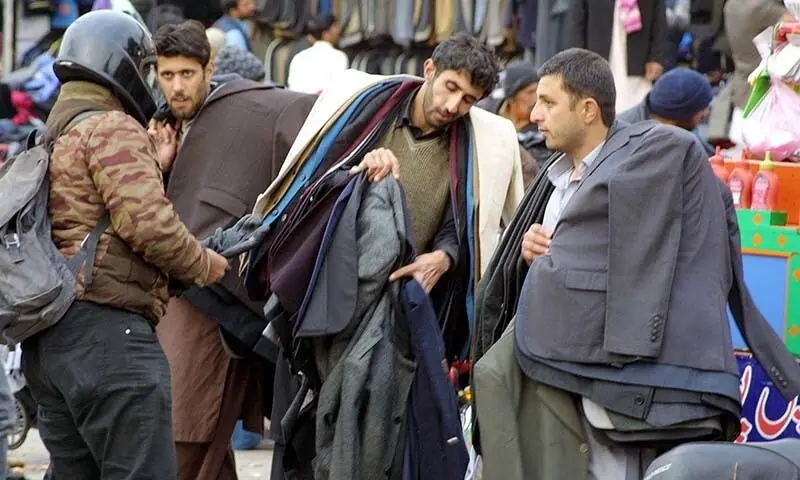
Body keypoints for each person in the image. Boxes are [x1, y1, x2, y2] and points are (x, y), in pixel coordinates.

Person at [473, 47, 800, 480]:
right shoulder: (551, 183)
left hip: (614, 386)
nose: (534, 114)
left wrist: (561, 269)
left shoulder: (647, 164)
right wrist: (532, 256)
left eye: (548, 102)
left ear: (588, 109)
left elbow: (639, 262)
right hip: (559, 371)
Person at [261, 32, 525, 478]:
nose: (454, 105)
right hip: (333, 297)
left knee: (378, 430)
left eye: (469, 99)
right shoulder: (370, 114)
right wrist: (358, 172)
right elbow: (314, 189)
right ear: (429, 71)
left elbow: (463, 225)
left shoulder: (473, 148)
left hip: (401, 309)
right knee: (309, 421)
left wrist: (444, 258)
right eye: (450, 88)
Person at [21, 10, 228, 479]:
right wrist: (203, 264)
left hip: (50, 346)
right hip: (110, 340)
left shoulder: (57, 135)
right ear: (125, 67)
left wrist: (154, 165)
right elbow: (147, 224)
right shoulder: (112, 127)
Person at [149, 20, 317, 480]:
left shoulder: (250, 110)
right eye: (167, 76)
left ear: (209, 68)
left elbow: (316, 124)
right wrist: (161, 167)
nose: (177, 87)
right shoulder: (162, 125)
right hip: (171, 299)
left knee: (189, 430)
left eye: (187, 74)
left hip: (219, 305)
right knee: (197, 438)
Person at [572, 0, 670, 112]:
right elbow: (578, 21)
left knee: (637, 109)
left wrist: (656, 57)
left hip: (638, 58)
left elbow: (659, 21)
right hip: (598, 55)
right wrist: (578, 59)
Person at [725, 0, 794, 146]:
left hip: (743, 89)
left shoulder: (731, 5)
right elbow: (794, 26)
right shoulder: (762, 7)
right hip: (767, 97)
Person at [477, 60, 549, 184]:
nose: (536, 98)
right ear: (512, 97)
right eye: (530, 92)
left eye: (538, 92)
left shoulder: (542, 133)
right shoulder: (486, 115)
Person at [618, 66, 715, 154]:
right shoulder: (625, 141)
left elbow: (708, 156)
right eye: (702, 108)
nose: (706, 113)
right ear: (681, 114)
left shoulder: (681, 127)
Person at [286, 14, 348, 94]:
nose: (339, 30)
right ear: (325, 33)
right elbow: (338, 92)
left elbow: (292, 90)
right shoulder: (339, 57)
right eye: (335, 27)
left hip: (300, 104)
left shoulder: (299, 57)